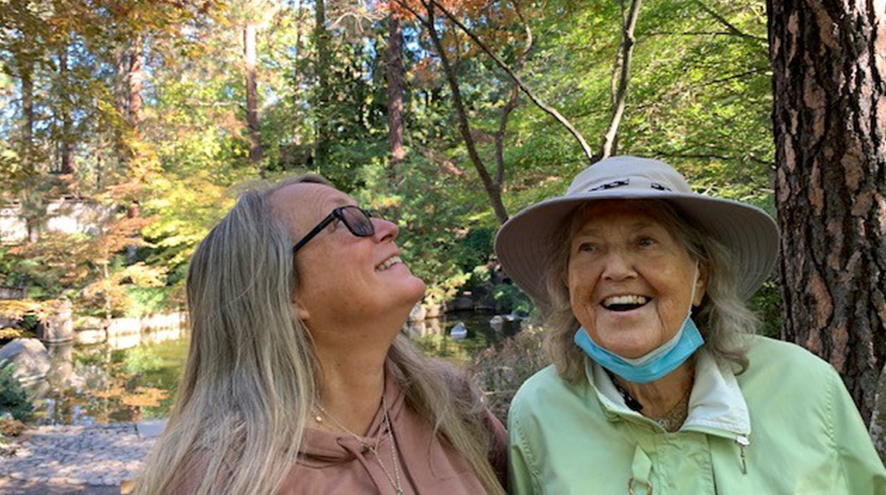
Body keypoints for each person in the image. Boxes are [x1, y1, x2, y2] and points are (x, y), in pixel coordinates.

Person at [495, 156, 886, 494]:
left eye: (645, 241)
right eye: (589, 247)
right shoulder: (539, 412)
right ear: (567, 282)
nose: (615, 270)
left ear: (701, 276)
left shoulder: (804, 386)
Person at [136, 175, 507, 495]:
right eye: (347, 220)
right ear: (283, 294)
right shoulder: (220, 479)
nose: (388, 227)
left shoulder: (451, 404)